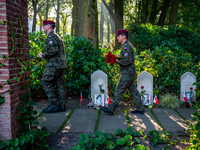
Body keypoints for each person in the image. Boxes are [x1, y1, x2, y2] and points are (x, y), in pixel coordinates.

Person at [100, 29, 145, 115]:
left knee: (118, 90)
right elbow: (126, 58)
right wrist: (117, 57)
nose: (117, 38)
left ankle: (111, 109)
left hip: (127, 73)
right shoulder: (127, 45)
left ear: (124, 36)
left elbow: (128, 61)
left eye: (118, 36)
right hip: (130, 72)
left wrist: (117, 61)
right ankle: (141, 108)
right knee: (134, 91)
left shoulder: (126, 47)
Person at [37, 20, 67, 113]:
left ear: (49, 26)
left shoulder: (51, 37)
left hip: (54, 65)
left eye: (44, 26)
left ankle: (53, 104)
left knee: (45, 82)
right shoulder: (57, 36)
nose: (43, 27)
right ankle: (62, 106)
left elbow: (53, 50)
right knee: (60, 84)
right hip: (61, 65)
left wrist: (43, 55)